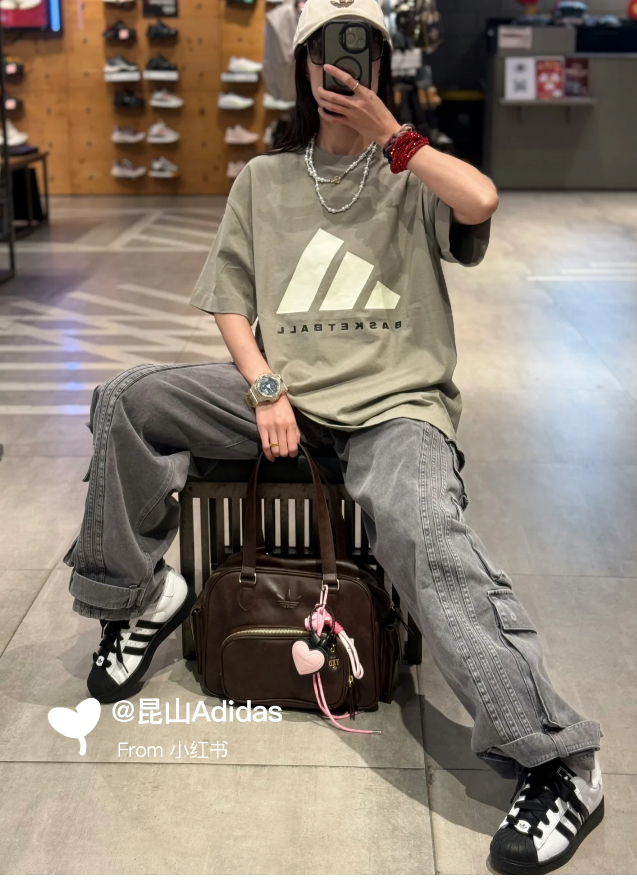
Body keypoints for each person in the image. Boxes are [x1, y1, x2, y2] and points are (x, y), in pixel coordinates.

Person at [63, 0, 604, 874]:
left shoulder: (411, 170)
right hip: (287, 397)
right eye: (324, 54)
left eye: (361, 55)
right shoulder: (264, 179)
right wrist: (264, 385)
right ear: (302, 67)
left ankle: (557, 757)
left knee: (425, 533)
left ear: (383, 68)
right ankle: (138, 598)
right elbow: (230, 300)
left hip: (396, 406)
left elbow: (481, 199)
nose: (341, 70)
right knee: (130, 397)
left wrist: (396, 136)